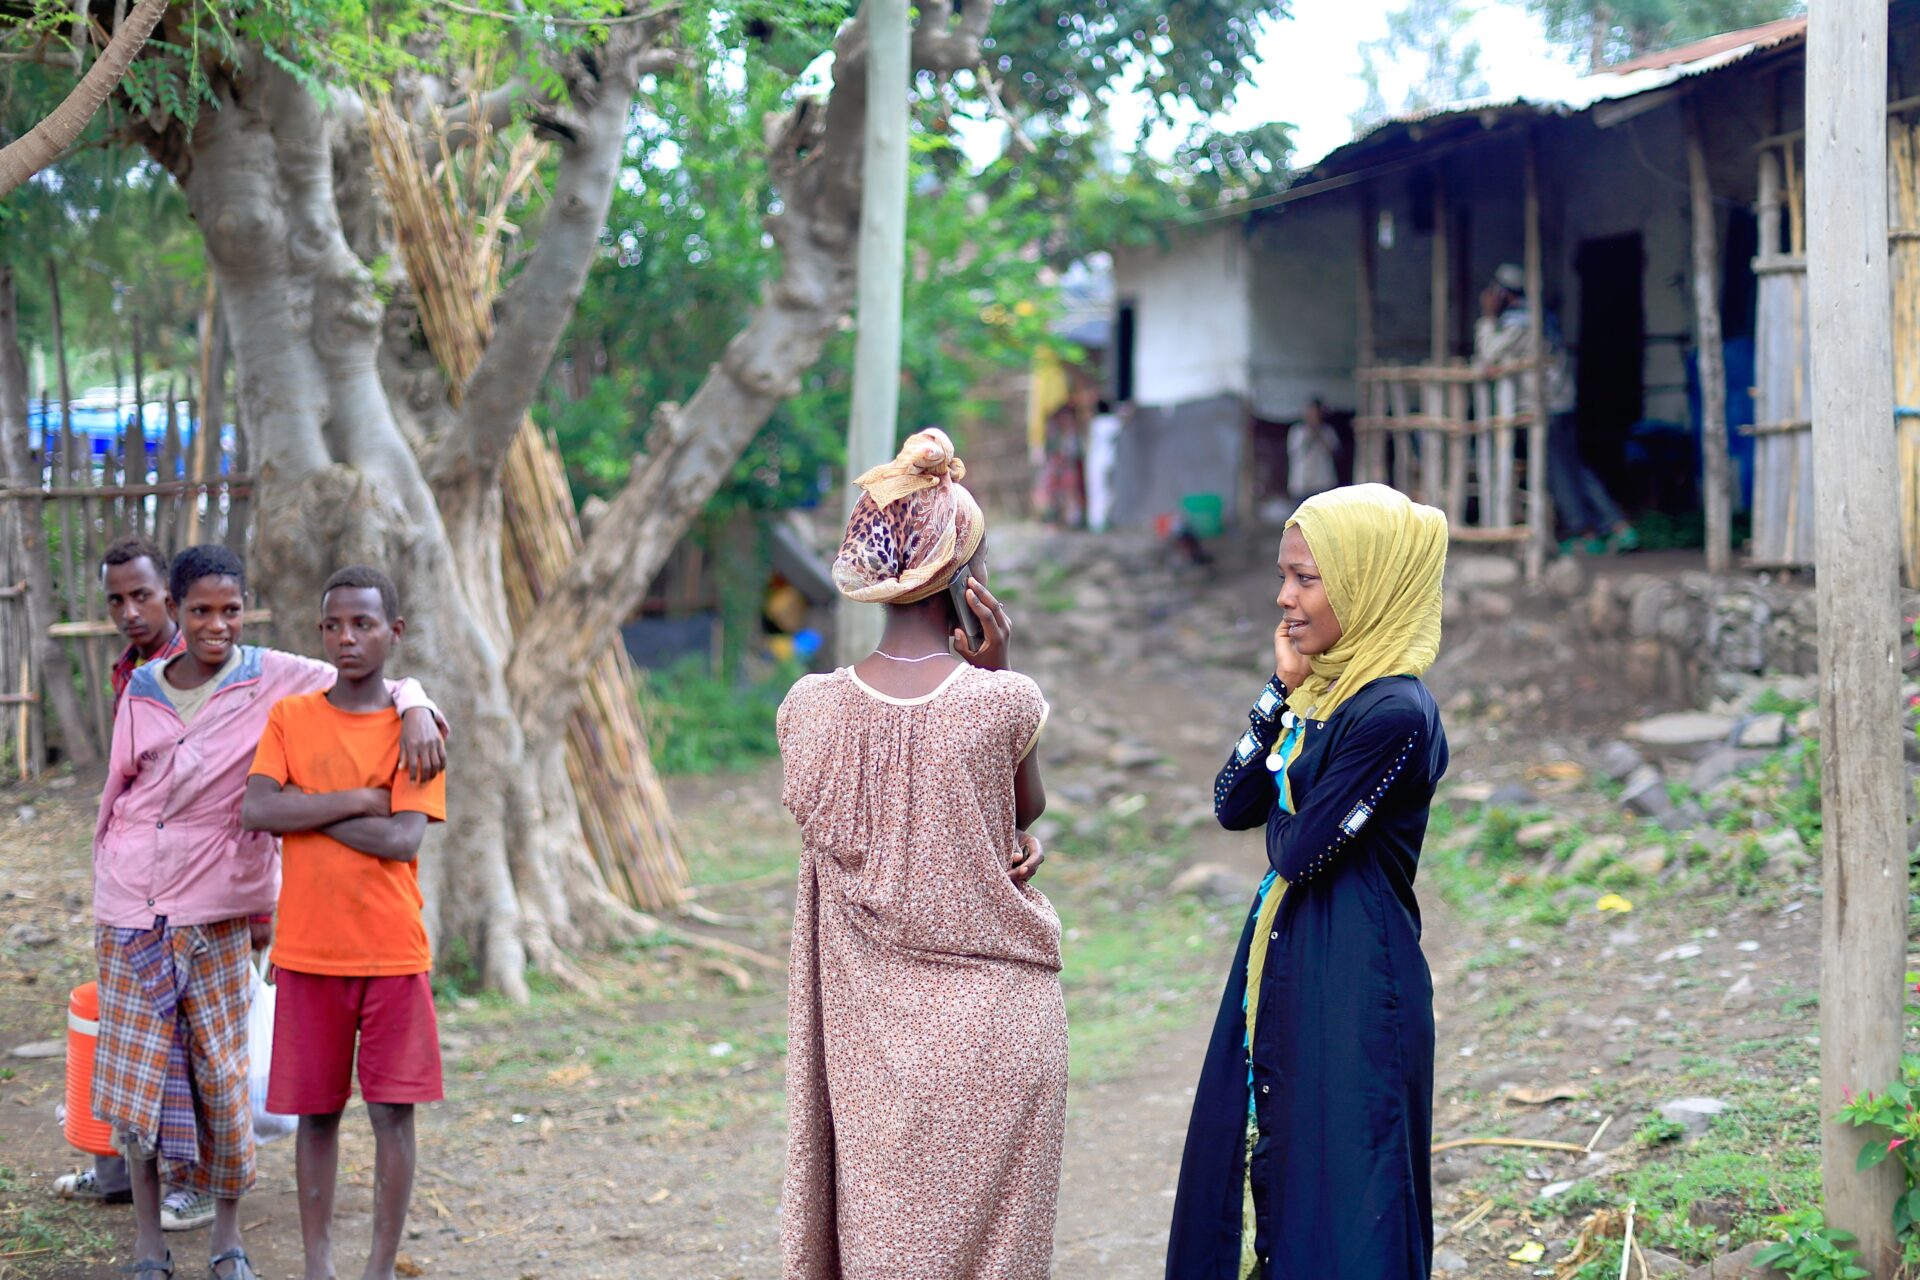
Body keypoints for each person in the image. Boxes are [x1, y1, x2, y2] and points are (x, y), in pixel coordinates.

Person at [92, 546, 447, 1280]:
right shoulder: (155, 692)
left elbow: (396, 815)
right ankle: (154, 1242)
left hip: (266, 915)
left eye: (229, 610)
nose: (215, 625)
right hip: (157, 906)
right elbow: (223, 805)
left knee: (229, 1080)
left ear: (247, 611)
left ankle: (245, 1240)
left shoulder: (281, 683)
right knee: (143, 1081)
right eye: (198, 611)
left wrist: (413, 703)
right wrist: (351, 802)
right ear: (176, 612)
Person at [778, 428, 1066, 1279]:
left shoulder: (809, 711)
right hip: (1001, 1031)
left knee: (882, 1250)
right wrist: (1000, 669)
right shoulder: (1003, 702)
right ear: (966, 579)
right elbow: (1020, 814)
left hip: (868, 1043)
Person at [1166, 484, 1451, 1280]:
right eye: (1285, 577)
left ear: (1367, 583)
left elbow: (1295, 853)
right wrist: (1279, 695)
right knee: (1284, 1168)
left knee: (1353, 1193)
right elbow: (1233, 807)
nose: (1285, 598)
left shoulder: (1394, 712)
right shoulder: (1323, 695)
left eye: (1307, 579)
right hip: (1291, 961)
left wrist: (1293, 759)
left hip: (1358, 978)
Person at [242, 566, 446, 1280]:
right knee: (316, 1116)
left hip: (392, 953)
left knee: (393, 1115)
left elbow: (402, 840)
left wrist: (314, 804)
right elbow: (259, 810)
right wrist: (362, 798)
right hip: (306, 952)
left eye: (363, 623)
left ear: (395, 632)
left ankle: (379, 1269)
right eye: (333, 624)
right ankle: (319, 1267)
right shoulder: (291, 718)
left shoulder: (417, 731)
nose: (347, 637)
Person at [55, 537, 214, 1233]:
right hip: (132, 881)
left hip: (198, 882)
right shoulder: (131, 671)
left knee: (193, 1040)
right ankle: (119, 1169)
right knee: (124, 1028)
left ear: (171, 598)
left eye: (141, 595)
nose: (128, 610)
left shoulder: (205, 667)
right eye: (115, 599)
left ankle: (196, 1179)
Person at [1474, 263, 1636, 554]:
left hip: (1544, 405)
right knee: (1574, 467)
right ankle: (1616, 526)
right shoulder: (1537, 316)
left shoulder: (1517, 323)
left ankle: (1584, 533)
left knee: (1558, 472)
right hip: (1561, 401)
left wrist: (1486, 318)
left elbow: (1490, 354)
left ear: (1503, 294)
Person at [1285, 399, 1339, 502]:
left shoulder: (1327, 432)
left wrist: (1318, 433)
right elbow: (1296, 452)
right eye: (1310, 412)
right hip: (1302, 484)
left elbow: (1334, 452)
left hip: (1322, 484)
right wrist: (1311, 434)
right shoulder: (1297, 432)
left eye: (1316, 413)